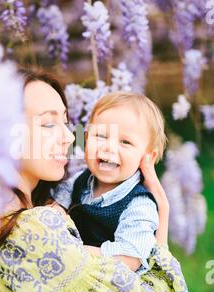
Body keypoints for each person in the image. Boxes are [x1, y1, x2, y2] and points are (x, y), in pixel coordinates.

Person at [0, 69, 192, 292]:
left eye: (66, 122)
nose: (69, 136)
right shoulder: (36, 229)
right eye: (49, 123)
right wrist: (162, 234)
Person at [51, 92, 167, 275]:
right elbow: (58, 199)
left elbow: (130, 258)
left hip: (111, 290)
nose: (109, 147)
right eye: (101, 136)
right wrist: (54, 212)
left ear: (147, 158)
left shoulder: (139, 204)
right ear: (86, 138)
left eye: (126, 142)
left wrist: (73, 252)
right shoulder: (81, 180)